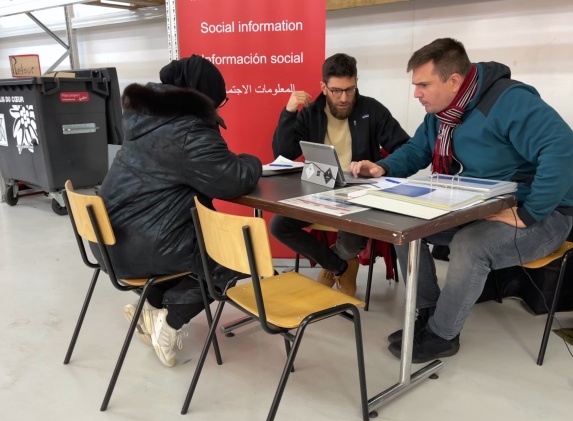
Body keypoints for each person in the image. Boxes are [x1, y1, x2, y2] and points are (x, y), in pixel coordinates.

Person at [349, 38, 573, 363]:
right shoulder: (442, 114)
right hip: (481, 207)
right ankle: (429, 316)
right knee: (400, 228)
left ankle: (442, 336)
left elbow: (562, 147)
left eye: (424, 84)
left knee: (469, 245)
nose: (416, 93)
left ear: (454, 81)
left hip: (546, 215)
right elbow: (417, 150)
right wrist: (383, 166)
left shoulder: (508, 101)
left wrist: (529, 212)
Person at [93, 55, 262, 367]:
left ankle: (151, 306)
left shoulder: (144, 118)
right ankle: (170, 324)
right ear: (204, 97)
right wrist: (253, 160)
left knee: (194, 241)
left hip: (110, 239)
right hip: (140, 245)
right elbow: (232, 181)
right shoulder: (188, 129)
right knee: (236, 253)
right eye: (218, 102)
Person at [270, 53, 409, 297]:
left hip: (360, 192)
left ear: (356, 83)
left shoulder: (372, 109)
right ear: (323, 87)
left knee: (353, 240)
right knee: (280, 226)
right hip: (319, 189)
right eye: (336, 91)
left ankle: (338, 262)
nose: (344, 98)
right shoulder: (311, 113)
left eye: (350, 89)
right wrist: (289, 112)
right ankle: (339, 265)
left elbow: (404, 147)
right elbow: (283, 153)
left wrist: (381, 166)